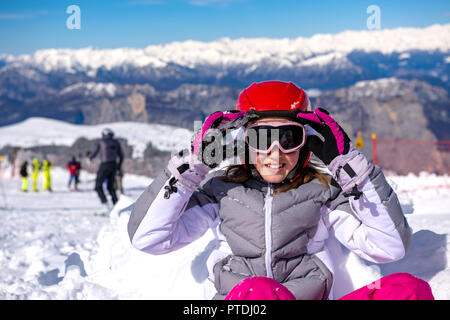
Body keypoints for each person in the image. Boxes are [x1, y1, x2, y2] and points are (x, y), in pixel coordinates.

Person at [127, 81, 433, 300]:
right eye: (262, 138)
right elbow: (149, 239)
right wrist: (191, 168)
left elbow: (390, 247)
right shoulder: (221, 193)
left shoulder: (324, 193)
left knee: (408, 290)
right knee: (259, 291)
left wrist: (352, 167)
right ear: (244, 141)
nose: (275, 154)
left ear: (307, 142)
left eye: (288, 137)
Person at [89, 128, 123, 214]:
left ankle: (106, 207)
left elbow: (93, 153)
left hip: (104, 165)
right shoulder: (116, 142)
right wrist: (118, 167)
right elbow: (121, 156)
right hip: (114, 165)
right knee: (110, 187)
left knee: (98, 186)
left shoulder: (101, 141)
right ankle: (117, 207)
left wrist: (90, 157)